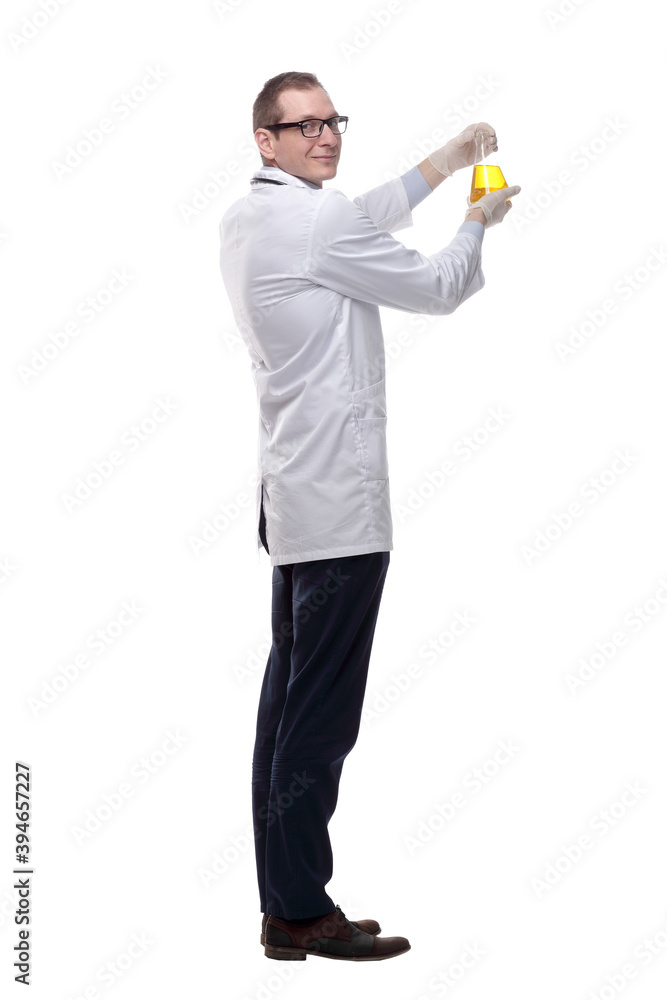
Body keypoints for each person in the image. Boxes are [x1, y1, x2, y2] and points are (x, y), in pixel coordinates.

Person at [218, 70, 520, 963]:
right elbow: (435, 288)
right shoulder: (314, 220)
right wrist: (477, 215)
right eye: (302, 125)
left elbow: (363, 212)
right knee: (318, 717)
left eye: (332, 121)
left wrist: (444, 158)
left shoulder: (253, 215)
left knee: (286, 707)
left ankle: (284, 905)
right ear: (265, 140)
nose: (325, 136)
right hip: (341, 508)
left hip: (291, 498)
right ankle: (301, 909)